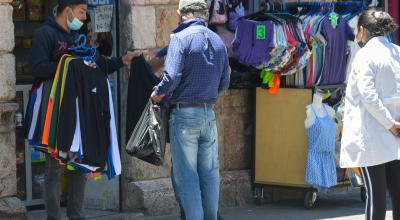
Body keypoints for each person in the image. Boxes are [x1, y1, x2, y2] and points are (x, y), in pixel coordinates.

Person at [28, 0, 140, 219]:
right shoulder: (45, 34)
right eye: (81, 12)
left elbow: (101, 64)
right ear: (68, 10)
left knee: (81, 163)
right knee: (55, 166)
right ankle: (54, 216)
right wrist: (72, 66)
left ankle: (76, 215)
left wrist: (123, 60)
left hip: (81, 111)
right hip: (57, 110)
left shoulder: (77, 38)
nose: (84, 17)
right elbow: (37, 67)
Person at [151, 0, 230, 219]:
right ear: (205, 13)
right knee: (210, 174)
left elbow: (171, 77)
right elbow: (224, 82)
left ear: (179, 13)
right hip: (208, 114)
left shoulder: (179, 38)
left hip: (184, 115)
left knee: (187, 176)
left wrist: (157, 93)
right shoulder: (218, 41)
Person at [340, 9, 400, 220]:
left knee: (376, 195)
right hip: (395, 136)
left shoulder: (364, 56)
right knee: (397, 193)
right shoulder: (397, 52)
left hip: (373, 134)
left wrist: (390, 124)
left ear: (363, 30)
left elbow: (368, 95)